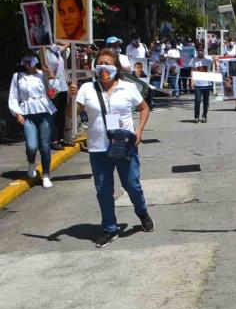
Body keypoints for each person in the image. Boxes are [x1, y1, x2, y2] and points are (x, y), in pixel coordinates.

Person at [69, 48, 154, 248]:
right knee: (103, 190)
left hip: (125, 146)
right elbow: (71, 116)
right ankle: (109, 228)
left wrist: (139, 130)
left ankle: (141, 211)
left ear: (116, 67)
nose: (104, 67)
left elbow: (144, 108)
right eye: (100, 64)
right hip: (99, 148)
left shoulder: (128, 87)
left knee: (132, 185)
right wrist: (70, 98)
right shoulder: (86, 89)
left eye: (108, 63)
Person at [8, 53, 59, 189]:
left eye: (30, 61)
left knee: (45, 147)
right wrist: (17, 113)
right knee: (31, 145)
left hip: (44, 112)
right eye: (25, 61)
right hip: (27, 114)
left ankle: (46, 175)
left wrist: (51, 76)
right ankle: (31, 163)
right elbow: (13, 96)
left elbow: (54, 92)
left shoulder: (43, 74)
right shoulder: (17, 76)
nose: (27, 63)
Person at [45, 43, 73, 150]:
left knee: (62, 113)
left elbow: (66, 45)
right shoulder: (45, 53)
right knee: (54, 114)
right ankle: (53, 140)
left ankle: (62, 139)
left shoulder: (57, 51)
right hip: (53, 87)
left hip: (63, 86)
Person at [190, 45, 214, 123]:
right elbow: (192, 70)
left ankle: (204, 116)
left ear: (203, 51)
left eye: (201, 50)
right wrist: (192, 81)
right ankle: (196, 116)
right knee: (197, 100)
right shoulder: (194, 60)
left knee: (205, 101)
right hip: (197, 84)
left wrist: (215, 60)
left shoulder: (208, 60)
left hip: (206, 84)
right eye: (198, 50)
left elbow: (214, 69)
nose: (200, 52)